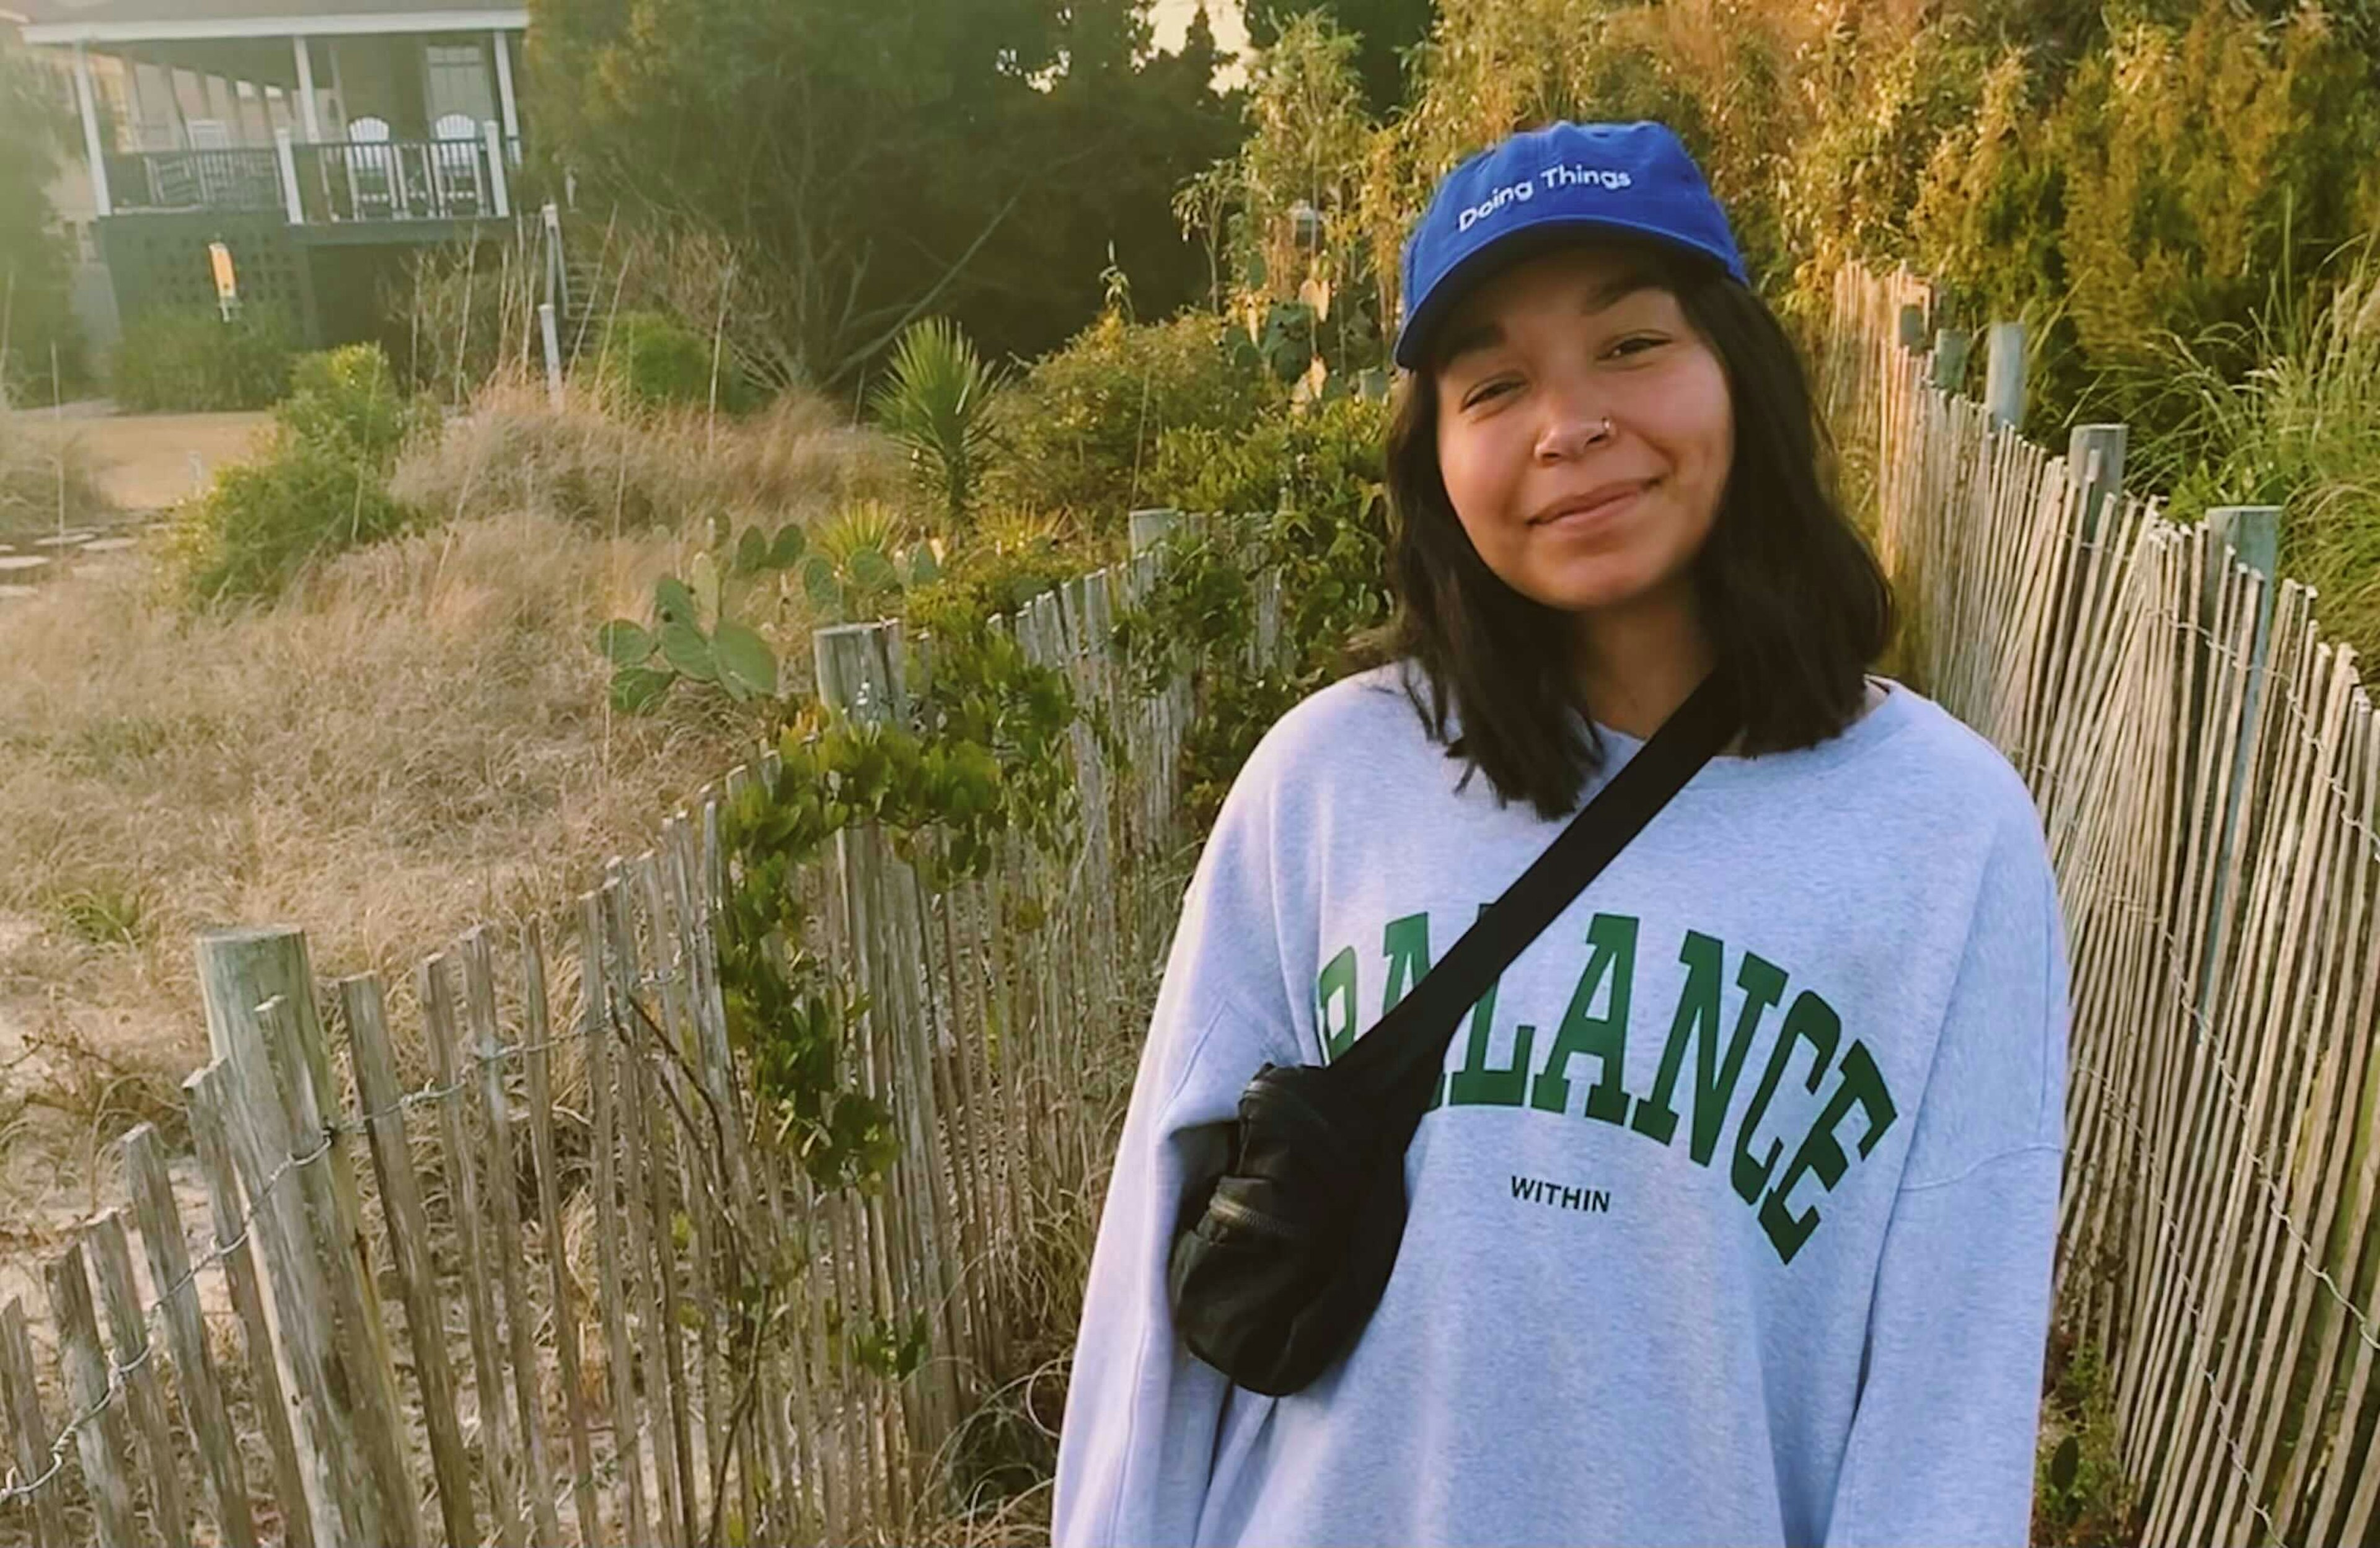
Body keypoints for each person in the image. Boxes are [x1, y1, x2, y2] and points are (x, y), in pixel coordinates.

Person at [1053, 120, 2069, 1548]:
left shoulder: (1946, 835)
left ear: (1742, 374)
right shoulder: (1328, 785)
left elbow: (1950, 1395)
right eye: (1495, 383)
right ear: (1439, 457)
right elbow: (1148, 1313)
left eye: (1633, 345)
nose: (1568, 423)